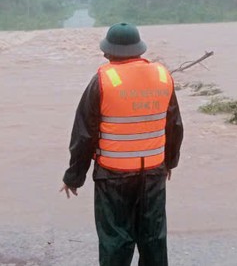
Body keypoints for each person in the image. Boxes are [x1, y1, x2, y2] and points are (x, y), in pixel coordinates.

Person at [61, 22, 184, 266]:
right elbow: (175, 126)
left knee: (116, 240)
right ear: (140, 50)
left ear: (108, 52)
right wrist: (169, 162)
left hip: (113, 177)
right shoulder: (162, 76)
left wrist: (74, 177)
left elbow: (83, 135)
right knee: (153, 239)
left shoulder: (102, 81)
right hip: (153, 174)